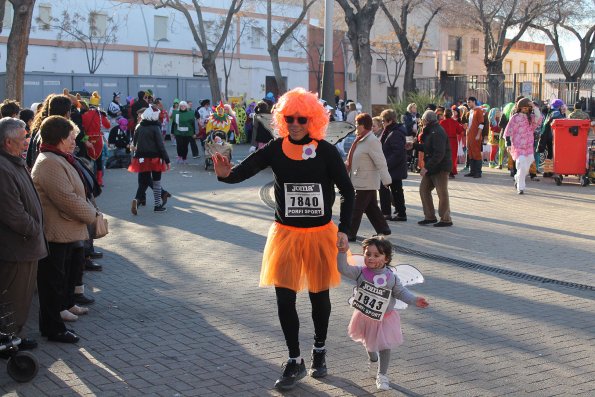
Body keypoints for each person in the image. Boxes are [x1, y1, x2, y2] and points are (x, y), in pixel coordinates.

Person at [213, 87, 354, 391]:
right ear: (281, 118)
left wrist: (346, 230)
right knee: (285, 298)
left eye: (302, 118)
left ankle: (319, 351)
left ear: (312, 119)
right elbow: (245, 170)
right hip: (286, 234)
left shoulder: (326, 151)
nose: (295, 123)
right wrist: (225, 174)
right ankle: (294, 359)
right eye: (289, 117)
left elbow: (348, 191)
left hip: (319, 234)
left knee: (319, 295)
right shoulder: (275, 148)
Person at [32, 116, 99, 343]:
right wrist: (92, 215)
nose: (74, 142)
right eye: (71, 137)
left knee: (61, 278)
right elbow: (66, 198)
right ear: (60, 139)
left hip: (65, 229)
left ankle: (57, 320)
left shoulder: (59, 157)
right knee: (52, 282)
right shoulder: (50, 161)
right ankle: (53, 328)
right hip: (55, 231)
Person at [337, 236, 428, 390]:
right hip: (365, 316)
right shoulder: (360, 272)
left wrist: (414, 300)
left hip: (385, 319)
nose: (371, 258)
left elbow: (401, 293)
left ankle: (382, 375)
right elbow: (343, 268)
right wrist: (341, 252)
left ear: (386, 258)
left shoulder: (391, 277)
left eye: (376, 255)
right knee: (370, 345)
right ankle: (373, 360)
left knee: (385, 346)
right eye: (368, 254)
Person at [0, 117, 47, 351]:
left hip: (26, 245)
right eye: (23, 138)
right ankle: (7, 340)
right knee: (12, 298)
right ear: (8, 142)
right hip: (17, 247)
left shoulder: (13, 162)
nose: (27, 141)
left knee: (21, 299)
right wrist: (34, 228)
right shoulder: (3, 168)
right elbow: (13, 213)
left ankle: (13, 337)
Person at [346, 113, 392, 241]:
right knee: (371, 208)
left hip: (366, 181)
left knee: (356, 208)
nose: (355, 126)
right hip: (362, 179)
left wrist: (386, 180)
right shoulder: (360, 139)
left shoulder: (372, 141)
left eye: (357, 124)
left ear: (364, 126)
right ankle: (383, 229)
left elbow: (381, 161)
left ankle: (350, 233)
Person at [407, 110, 453, 227]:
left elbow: (439, 153)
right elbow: (428, 147)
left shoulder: (437, 132)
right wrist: (414, 146)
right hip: (433, 166)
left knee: (442, 193)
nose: (421, 122)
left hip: (440, 167)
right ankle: (430, 216)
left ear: (426, 120)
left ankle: (446, 219)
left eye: (422, 119)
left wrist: (426, 167)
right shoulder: (431, 130)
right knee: (424, 189)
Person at [129, 106, 171, 213]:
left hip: (142, 158)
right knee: (156, 182)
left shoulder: (139, 127)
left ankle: (137, 200)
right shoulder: (155, 127)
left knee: (144, 181)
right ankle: (157, 206)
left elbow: (134, 143)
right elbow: (161, 146)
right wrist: (167, 160)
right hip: (155, 158)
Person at [503, 98, 543, 195]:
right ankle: (521, 188)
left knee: (527, 165)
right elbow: (508, 131)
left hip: (528, 145)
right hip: (518, 145)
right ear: (519, 108)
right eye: (523, 108)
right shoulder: (515, 117)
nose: (525, 110)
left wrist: (534, 107)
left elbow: (539, 118)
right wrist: (508, 144)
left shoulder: (531, 118)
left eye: (527, 108)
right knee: (521, 164)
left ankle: (517, 177)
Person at [379, 109, 408, 221]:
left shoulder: (395, 133)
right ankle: (400, 213)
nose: (382, 123)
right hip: (393, 167)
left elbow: (397, 153)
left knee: (388, 189)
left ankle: (388, 213)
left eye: (383, 121)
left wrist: (385, 165)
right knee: (396, 191)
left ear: (390, 121)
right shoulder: (391, 131)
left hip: (393, 168)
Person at [440, 108, 465, 178]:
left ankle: (444, 171)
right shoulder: (455, 122)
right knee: (453, 157)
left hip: (444, 141)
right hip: (453, 141)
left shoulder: (441, 122)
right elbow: (460, 131)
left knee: (444, 156)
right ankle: (451, 171)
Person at [465, 96, 484, 178]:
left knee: (476, 153)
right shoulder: (471, 111)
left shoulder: (479, 110)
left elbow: (481, 123)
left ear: (473, 102)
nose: (468, 104)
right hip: (470, 135)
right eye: (467, 102)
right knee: (471, 153)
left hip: (476, 135)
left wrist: (478, 134)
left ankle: (478, 172)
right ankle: (472, 171)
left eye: (469, 102)